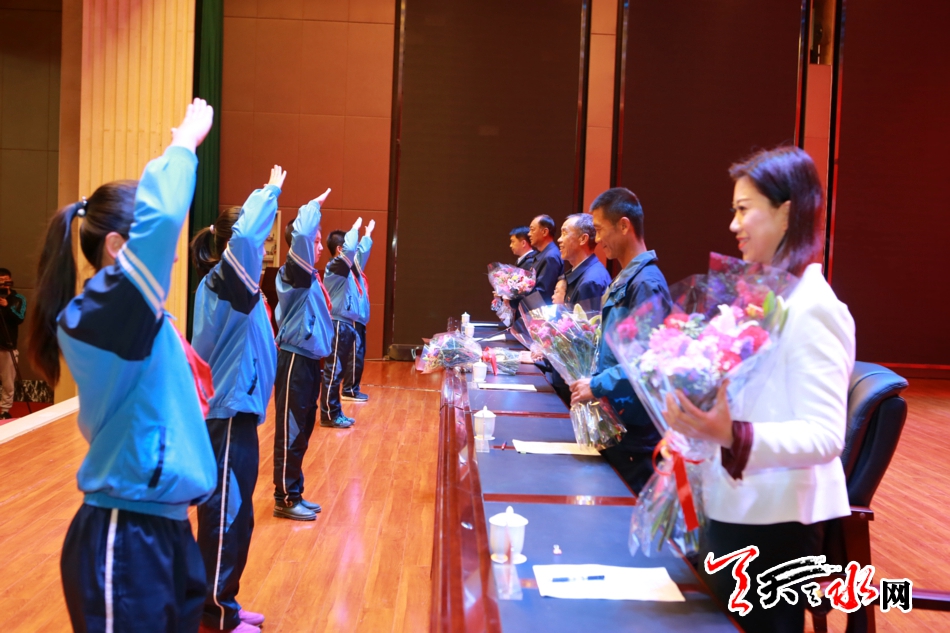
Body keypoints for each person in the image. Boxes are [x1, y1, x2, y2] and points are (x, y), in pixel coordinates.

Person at [29, 98, 217, 632]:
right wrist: (183, 144)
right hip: (125, 535)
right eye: (160, 247)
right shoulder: (105, 313)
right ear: (116, 248)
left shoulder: (132, 316)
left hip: (167, 527)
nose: (174, 255)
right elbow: (163, 222)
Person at [664, 147, 854, 633]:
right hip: (735, 506)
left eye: (743, 209)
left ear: (787, 212)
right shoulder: (764, 296)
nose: (733, 224)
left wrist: (731, 434)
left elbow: (825, 435)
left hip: (775, 524)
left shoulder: (814, 307)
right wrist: (692, 415)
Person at [191, 165, 285, 633]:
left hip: (238, 413)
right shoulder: (227, 281)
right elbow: (247, 237)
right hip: (227, 414)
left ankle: (222, 599)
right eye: (263, 241)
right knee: (224, 515)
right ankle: (215, 613)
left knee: (238, 515)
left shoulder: (235, 287)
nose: (265, 249)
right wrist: (269, 193)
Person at [569, 188, 671, 493]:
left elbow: (647, 361)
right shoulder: (629, 278)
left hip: (635, 431)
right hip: (618, 422)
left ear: (624, 225)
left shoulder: (646, 284)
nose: (598, 239)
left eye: (600, 229)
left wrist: (597, 385)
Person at [271, 189, 334, 522]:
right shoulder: (293, 274)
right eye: (316, 241)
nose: (320, 247)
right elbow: (304, 235)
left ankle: (294, 492)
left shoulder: (310, 277)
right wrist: (312, 207)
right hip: (295, 360)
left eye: (322, 241)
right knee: (291, 430)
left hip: (310, 362)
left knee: (303, 430)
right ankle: (283, 498)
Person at [320, 218, 374, 427]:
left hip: (346, 325)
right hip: (338, 324)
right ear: (340, 249)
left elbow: (359, 255)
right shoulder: (335, 268)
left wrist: (367, 236)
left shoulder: (348, 270)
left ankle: (335, 412)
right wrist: (354, 229)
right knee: (333, 371)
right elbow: (351, 250)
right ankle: (329, 415)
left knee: (339, 371)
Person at [556, 214, 612, 310]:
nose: (559, 239)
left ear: (583, 239)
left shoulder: (590, 282)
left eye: (564, 233)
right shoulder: (587, 274)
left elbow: (586, 320)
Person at [0, 268, 26, 419]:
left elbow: (20, 318)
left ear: (10, 281)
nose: (3, 283)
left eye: (6, 280)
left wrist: (7, 306)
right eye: (0, 280)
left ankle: (4, 411)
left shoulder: (18, 299)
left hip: (7, 346)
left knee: (8, 382)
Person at [527, 214, 564, 302]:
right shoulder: (544, 254)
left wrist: (516, 299)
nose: (529, 234)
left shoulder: (550, 257)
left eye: (532, 230)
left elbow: (542, 293)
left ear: (544, 232)